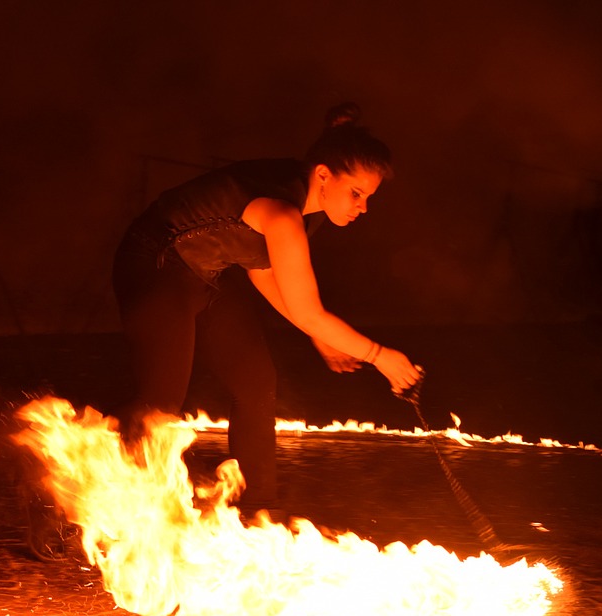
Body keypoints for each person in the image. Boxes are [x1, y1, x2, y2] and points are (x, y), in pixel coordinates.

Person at [112, 102, 422, 517]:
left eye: (367, 197)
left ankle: (257, 512)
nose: (362, 207)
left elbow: (265, 275)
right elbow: (307, 308)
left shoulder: (304, 207)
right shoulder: (282, 210)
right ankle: (67, 488)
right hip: (155, 263)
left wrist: (318, 334)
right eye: (356, 193)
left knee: (257, 382)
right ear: (324, 175)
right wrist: (381, 357)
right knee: (160, 403)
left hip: (205, 277)